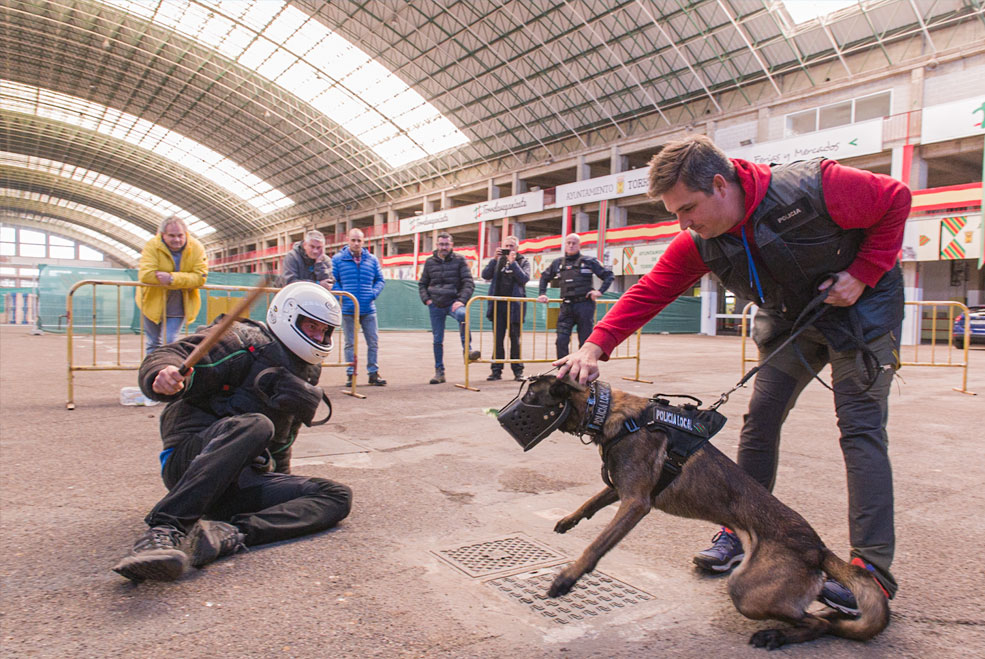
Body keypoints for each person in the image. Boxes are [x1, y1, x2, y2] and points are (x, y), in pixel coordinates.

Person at [556, 135, 909, 616]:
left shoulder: (817, 187)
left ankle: (871, 572)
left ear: (720, 184)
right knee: (760, 420)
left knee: (860, 432)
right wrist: (596, 344)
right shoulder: (701, 240)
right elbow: (652, 289)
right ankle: (741, 531)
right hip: (793, 324)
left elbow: (895, 199)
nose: (684, 223)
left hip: (861, 315)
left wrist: (865, 271)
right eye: (676, 213)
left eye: (688, 209)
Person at [113, 282, 352, 582]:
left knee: (336, 495)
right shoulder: (243, 341)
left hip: (241, 480)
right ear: (288, 316)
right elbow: (171, 355)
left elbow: (283, 440)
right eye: (311, 326)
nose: (318, 336)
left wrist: (284, 489)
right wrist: (162, 376)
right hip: (189, 463)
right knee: (256, 424)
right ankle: (164, 531)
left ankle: (229, 533)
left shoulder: (306, 370)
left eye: (324, 330)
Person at [136, 216, 208, 355]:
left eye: (180, 235)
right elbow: (146, 275)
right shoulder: (152, 245)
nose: (177, 239)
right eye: (172, 236)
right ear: (162, 235)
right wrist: (186, 279)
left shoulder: (196, 247)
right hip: (151, 302)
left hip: (179, 306)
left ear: (186, 234)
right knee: (153, 343)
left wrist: (171, 278)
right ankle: (151, 373)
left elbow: (200, 277)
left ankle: (165, 369)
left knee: (169, 341)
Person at [537, 233, 613, 359]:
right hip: (566, 307)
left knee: (585, 342)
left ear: (579, 245)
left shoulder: (589, 261)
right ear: (565, 245)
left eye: (574, 243)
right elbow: (544, 277)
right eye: (568, 243)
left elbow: (609, 275)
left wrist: (600, 291)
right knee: (561, 340)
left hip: (585, 306)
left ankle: (584, 375)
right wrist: (542, 294)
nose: (571, 245)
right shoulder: (558, 263)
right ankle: (563, 373)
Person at [418, 232, 481, 384]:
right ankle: (439, 372)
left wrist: (461, 300)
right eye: (441, 244)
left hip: (454, 303)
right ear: (437, 245)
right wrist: (427, 300)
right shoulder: (429, 262)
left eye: (446, 244)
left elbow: (468, 283)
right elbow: (422, 284)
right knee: (437, 339)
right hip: (435, 305)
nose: (444, 247)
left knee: (463, 315)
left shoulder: (460, 260)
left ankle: (468, 350)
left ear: (451, 245)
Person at [332, 228, 386, 387]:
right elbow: (333, 281)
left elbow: (380, 280)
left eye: (359, 240)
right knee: (350, 343)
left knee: (373, 342)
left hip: (368, 309)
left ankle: (373, 374)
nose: (356, 243)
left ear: (363, 242)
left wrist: (373, 293)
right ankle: (351, 374)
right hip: (348, 310)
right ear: (347, 240)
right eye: (353, 240)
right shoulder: (337, 260)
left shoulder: (372, 260)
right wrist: (343, 297)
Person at [481, 235, 530, 381]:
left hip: (515, 306)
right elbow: (485, 275)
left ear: (517, 248)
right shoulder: (497, 261)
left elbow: (524, 279)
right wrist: (494, 260)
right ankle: (496, 371)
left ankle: (518, 372)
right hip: (498, 306)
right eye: (506, 246)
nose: (508, 249)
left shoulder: (523, 261)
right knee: (498, 339)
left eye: (511, 246)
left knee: (515, 339)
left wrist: (513, 263)